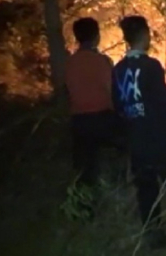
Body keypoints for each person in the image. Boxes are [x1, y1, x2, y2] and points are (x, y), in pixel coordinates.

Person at [112, 15, 166, 250]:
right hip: (159, 138)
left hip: (136, 139)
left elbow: (118, 105)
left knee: (146, 189)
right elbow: (163, 102)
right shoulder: (150, 66)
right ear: (144, 34)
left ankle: (153, 234)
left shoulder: (118, 69)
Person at [64, 17, 127, 216]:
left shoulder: (70, 63)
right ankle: (120, 195)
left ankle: (85, 210)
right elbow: (113, 90)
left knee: (85, 168)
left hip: (79, 121)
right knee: (122, 151)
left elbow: (68, 92)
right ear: (97, 36)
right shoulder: (103, 62)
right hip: (103, 118)